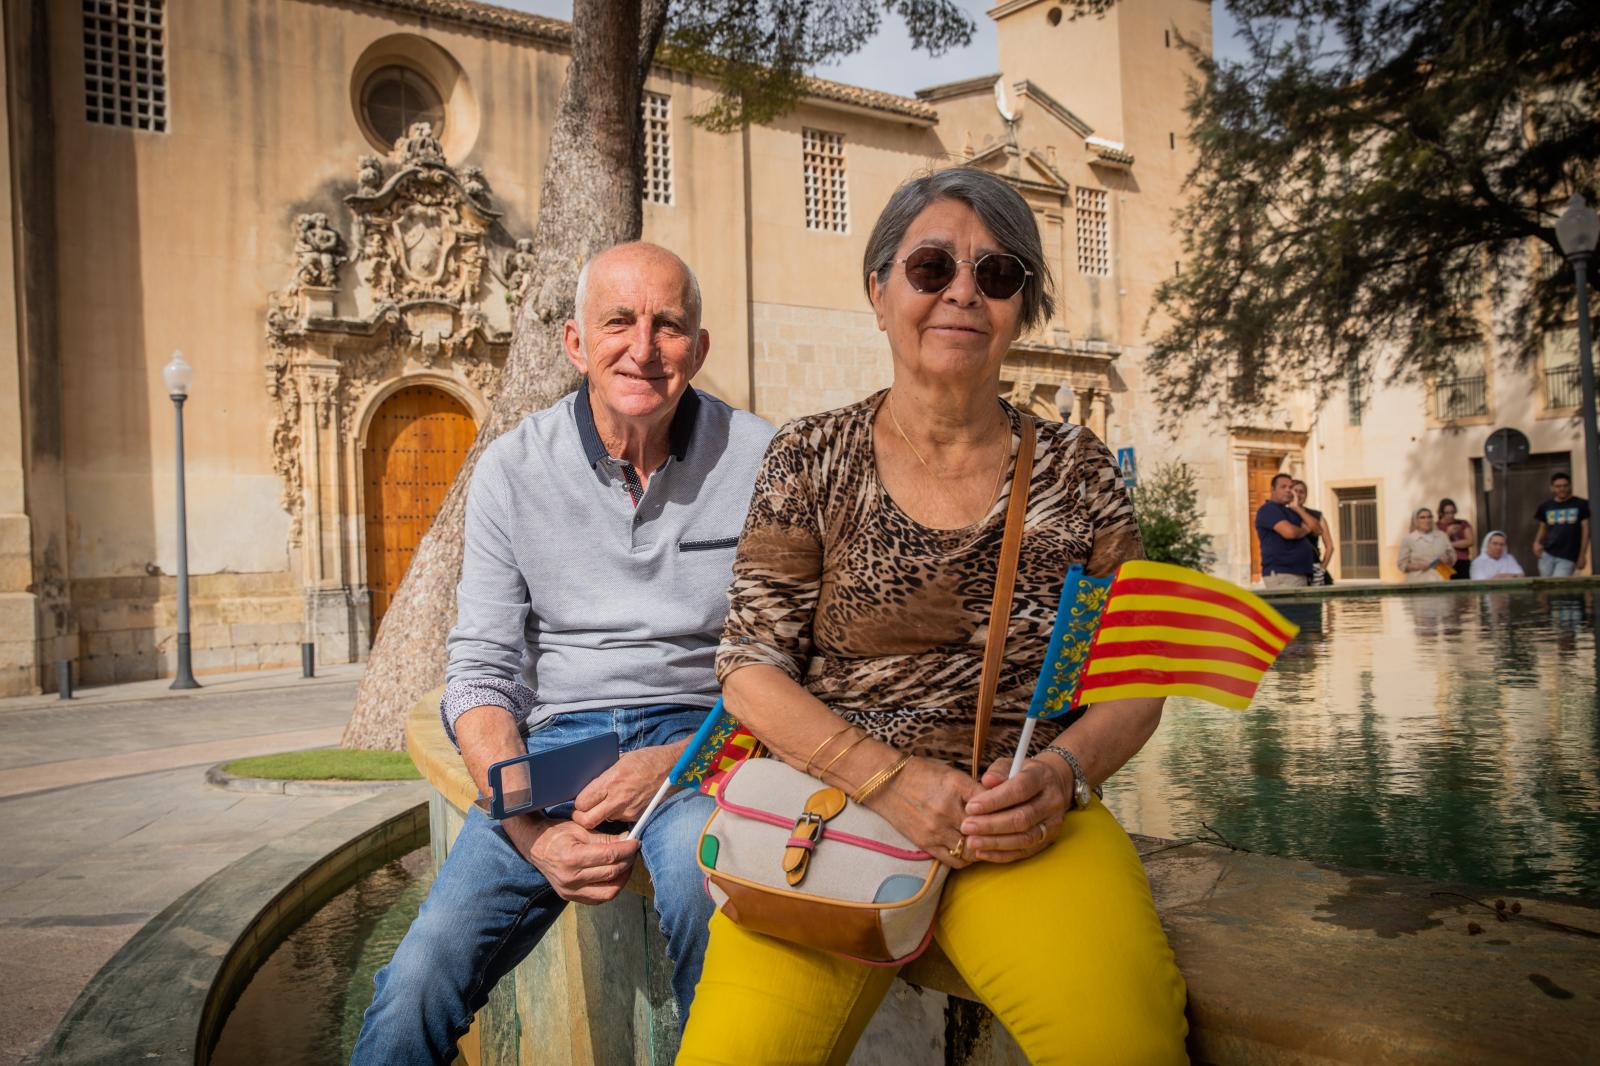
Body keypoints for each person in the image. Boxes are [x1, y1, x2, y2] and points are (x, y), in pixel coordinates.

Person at [676, 168, 1187, 1065]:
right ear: (879, 291)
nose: (963, 291)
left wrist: (1063, 774)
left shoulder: (1079, 467)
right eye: (931, 267)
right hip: (832, 815)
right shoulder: (810, 455)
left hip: (1026, 824)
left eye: (997, 274)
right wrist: (891, 781)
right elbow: (750, 669)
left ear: (1021, 308)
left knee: (1126, 1046)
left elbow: (1136, 678)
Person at [350, 243, 775, 1064]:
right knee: (419, 976)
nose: (643, 348)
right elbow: (479, 672)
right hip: (556, 745)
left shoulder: (762, 459)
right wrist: (529, 830)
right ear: (576, 343)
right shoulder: (511, 469)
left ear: (701, 347)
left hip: (698, 734)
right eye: (618, 321)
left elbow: (792, 656)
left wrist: (682, 761)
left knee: (700, 888)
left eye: (668, 325)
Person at [1255, 472, 1317, 587]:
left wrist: (1297, 508)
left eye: (1290, 487)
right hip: (1284, 573)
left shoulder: (1291, 511)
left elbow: (1317, 529)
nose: (1288, 490)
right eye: (1283, 487)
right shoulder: (1268, 509)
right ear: (1272, 489)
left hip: (1298, 573)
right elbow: (1290, 533)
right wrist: (1304, 530)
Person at [1532, 471, 1591, 578]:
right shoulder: (1545, 506)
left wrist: (1582, 555)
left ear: (1570, 486)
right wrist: (1536, 542)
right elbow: (1542, 527)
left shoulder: (1581, 504)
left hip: (1568, 556)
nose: (1562, 489)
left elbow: (1585, 531)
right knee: (1544, 587)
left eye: (1565, 486)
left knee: (1558, 585)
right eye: (1558, 486)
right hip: (1547, 554)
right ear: (1552, 488)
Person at [1291, 479, 1334, 585]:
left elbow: (1329, 546)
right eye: (1295, 491)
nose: (1298, 495)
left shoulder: (1317, 516)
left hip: (1313, 566)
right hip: (1292, 567)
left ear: (1306, 495)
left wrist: (1322, 568)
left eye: (1302, 492)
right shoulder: (1284, 514)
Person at [1396, 507, 1454, 582]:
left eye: (1429, 517)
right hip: (1419, 580)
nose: (1427, 520)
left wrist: (1448, 559)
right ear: (1416, 520)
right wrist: (1417, 566)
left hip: (1441, 579)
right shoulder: (1409, 539)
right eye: (1422, 517)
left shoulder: (1442, 536)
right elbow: (1401, 564)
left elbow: (1452, 556)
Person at [1437, 498, 1474, 580]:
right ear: (1441, 513)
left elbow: (1470, 541)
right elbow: (1437, 546)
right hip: (1443, 562)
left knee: (1462, 588)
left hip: (1462, 560)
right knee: (1446, 588)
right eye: (1447, 513)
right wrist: (1448, 533)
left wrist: (1449, 544)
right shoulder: (1436, 526)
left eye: (1452, 512)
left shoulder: (1463, 523)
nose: (1451, 515)